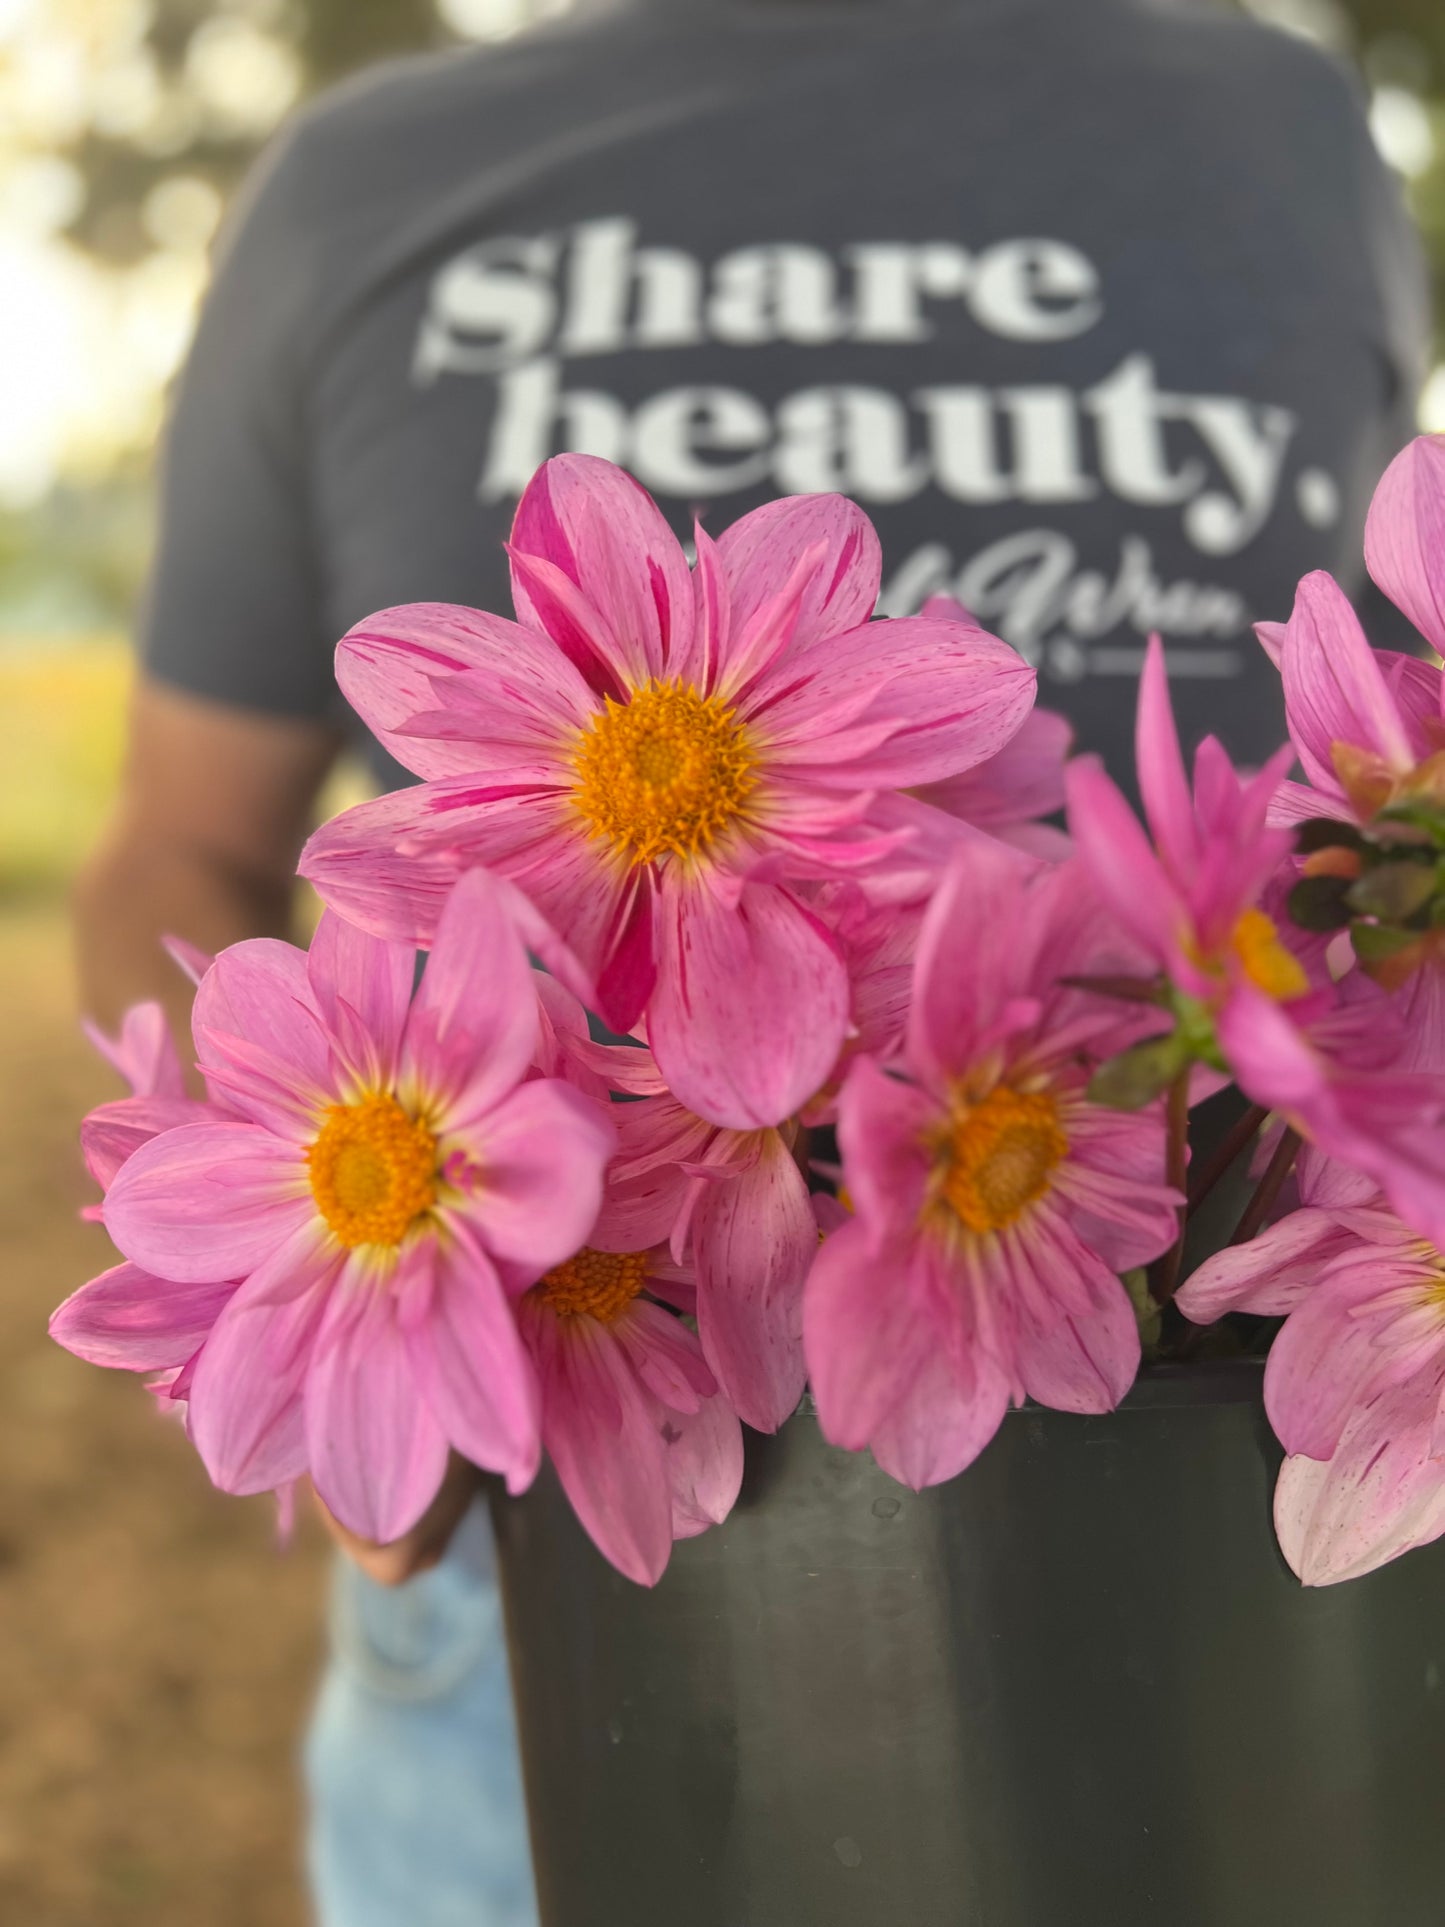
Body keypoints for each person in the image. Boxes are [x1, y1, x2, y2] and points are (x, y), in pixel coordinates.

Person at [75, 0, 1428, 1920]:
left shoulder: (1286, 122)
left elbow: (1377, 736)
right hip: (575, 1539)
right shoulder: (360, 182)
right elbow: (184, 837)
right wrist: (268, 1239)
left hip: (1230, 1519)